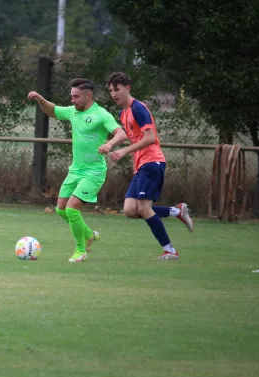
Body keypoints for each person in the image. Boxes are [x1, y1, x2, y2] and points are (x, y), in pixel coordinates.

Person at [28, 78, 128, 262]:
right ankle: (89, 234)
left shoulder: (101, 114)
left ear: (88, 96)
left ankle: (81, 250)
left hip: (94, 172)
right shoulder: (73, 111)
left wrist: (110, 143)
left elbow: (121, 133)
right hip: (75, 171)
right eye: (71, 96)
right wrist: (39, 98)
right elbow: (52, 110)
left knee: (72, 209)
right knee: (61, 210)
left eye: (76, 97)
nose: (73, 100)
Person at [105, 72, 194, 260]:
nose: (114, 94)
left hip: (152, 162)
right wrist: (129, 160)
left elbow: (150, 138)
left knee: (144, 208)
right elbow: (135, 139)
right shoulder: (123, 113)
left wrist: (124, 151)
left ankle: (170, 251)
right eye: (111, 90)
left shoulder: (139, 108)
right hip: (142, 165)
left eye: (117, 89)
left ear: (127, 88)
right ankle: (176, 211)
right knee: (130, 210)